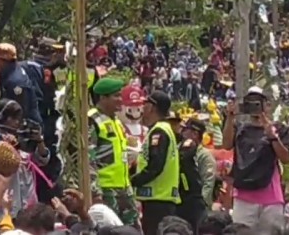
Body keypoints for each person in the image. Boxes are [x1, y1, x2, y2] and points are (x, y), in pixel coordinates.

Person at [224, 86, 289, 229]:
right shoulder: (240, 128)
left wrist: (272, 136)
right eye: (250, 102)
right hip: (243, 195)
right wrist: (230, 117)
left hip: (271, 196)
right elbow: (226, 144)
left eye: (258, 102)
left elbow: (286, 158)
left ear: (267, 105)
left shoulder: (279, 128)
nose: (254, 106)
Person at [88, 77, 138, 226]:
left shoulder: (116, 121)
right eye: (116, 96)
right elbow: (88, 159)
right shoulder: (92, 120)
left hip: (123, 187)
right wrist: (95, 191)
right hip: (105, 189)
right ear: (103, 98)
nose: (120, 100)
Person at [131, 91, 180, 235]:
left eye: (145, 104)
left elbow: (155, 166)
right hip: (161, 198)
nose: (142, 108)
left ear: (151, 107)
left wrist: (133, 181)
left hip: (158, 198)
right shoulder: (164, 130)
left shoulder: (159, 132)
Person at [176, 118, 214, 230]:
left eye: (185, 130)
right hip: (179, 201)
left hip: (196, 206)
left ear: (195, 134)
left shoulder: (205, 156)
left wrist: (201, 204)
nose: (182, 133)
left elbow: (208, 182)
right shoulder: (178, 150)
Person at [0, 43, 43, 127]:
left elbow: (20, 112)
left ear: (3, 60)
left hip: (27, 129)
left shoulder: (16, 82)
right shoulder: (8, 73)